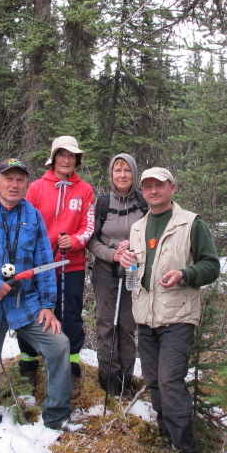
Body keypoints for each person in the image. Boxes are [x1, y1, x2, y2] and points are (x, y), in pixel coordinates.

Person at [0, 158, 81, 432]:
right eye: (8, 178)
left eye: (20, 179)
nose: (14, 184)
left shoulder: (32, 215)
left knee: (59, 345)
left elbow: (44, 264)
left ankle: (56, 417)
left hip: (25, 305)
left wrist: (47, 306)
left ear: (25, 184)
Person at [119, 167, 220, 453]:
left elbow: (211, 265)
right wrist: (124, 261)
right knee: (153, 380)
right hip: (145, 317)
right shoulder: (138, 227)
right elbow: (137, 269)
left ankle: (186, 449)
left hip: (178, 316)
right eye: (148, 186)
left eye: (159, 186)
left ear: (172, 188)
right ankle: (167, 435)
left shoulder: (191, 223)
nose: (153, 191)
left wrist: (185, 274)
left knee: (169, 380)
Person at [17, 136, 95, 399]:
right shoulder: (37, 188)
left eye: (71, 156)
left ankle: (71, 370)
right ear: (53, 158)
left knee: (70, 315)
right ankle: (27, 364)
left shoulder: (85, 190)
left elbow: (89, 226)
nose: (66, 160)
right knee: (31, 312)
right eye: (62, 154)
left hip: (71, 265)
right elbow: (25, 223)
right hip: (40, 266)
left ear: (77, 160)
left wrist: (73, 241)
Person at [87, 153, 147, 395]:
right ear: (111, 175)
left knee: (127, 326)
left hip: (135, 272)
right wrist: (112, 254)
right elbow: (90, 240)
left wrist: (134, 248)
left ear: (134, 173)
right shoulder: (101, 204)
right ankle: (108, 379)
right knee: (106, 324)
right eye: (117, 170)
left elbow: (153, 238)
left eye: (127, 170)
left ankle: (126, 380)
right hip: (105, 272)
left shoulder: (145, 204)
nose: (122, 175)